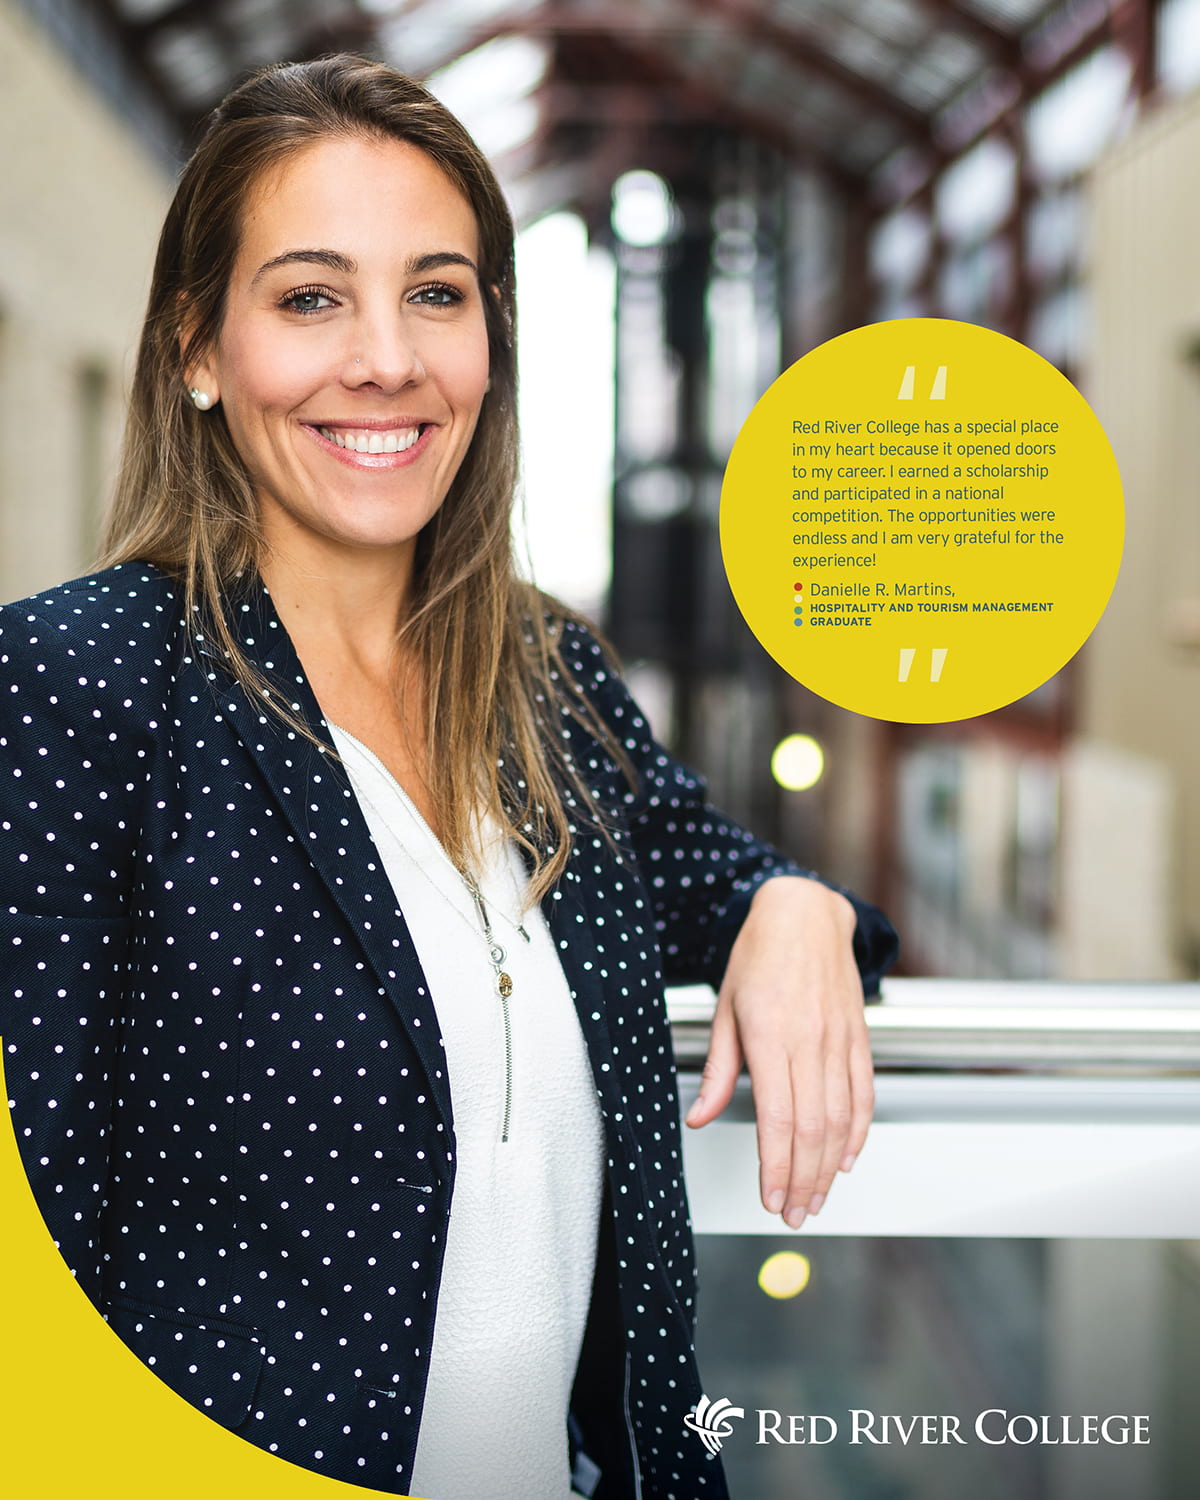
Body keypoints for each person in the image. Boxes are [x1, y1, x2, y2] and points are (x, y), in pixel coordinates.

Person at [0, 53, 897, 1500]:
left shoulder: (544, 677)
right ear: (197, 350)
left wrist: (796, 908)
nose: (387, 360)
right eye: (311, 298)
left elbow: (710, 870)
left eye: (436, 292)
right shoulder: (76, 690)